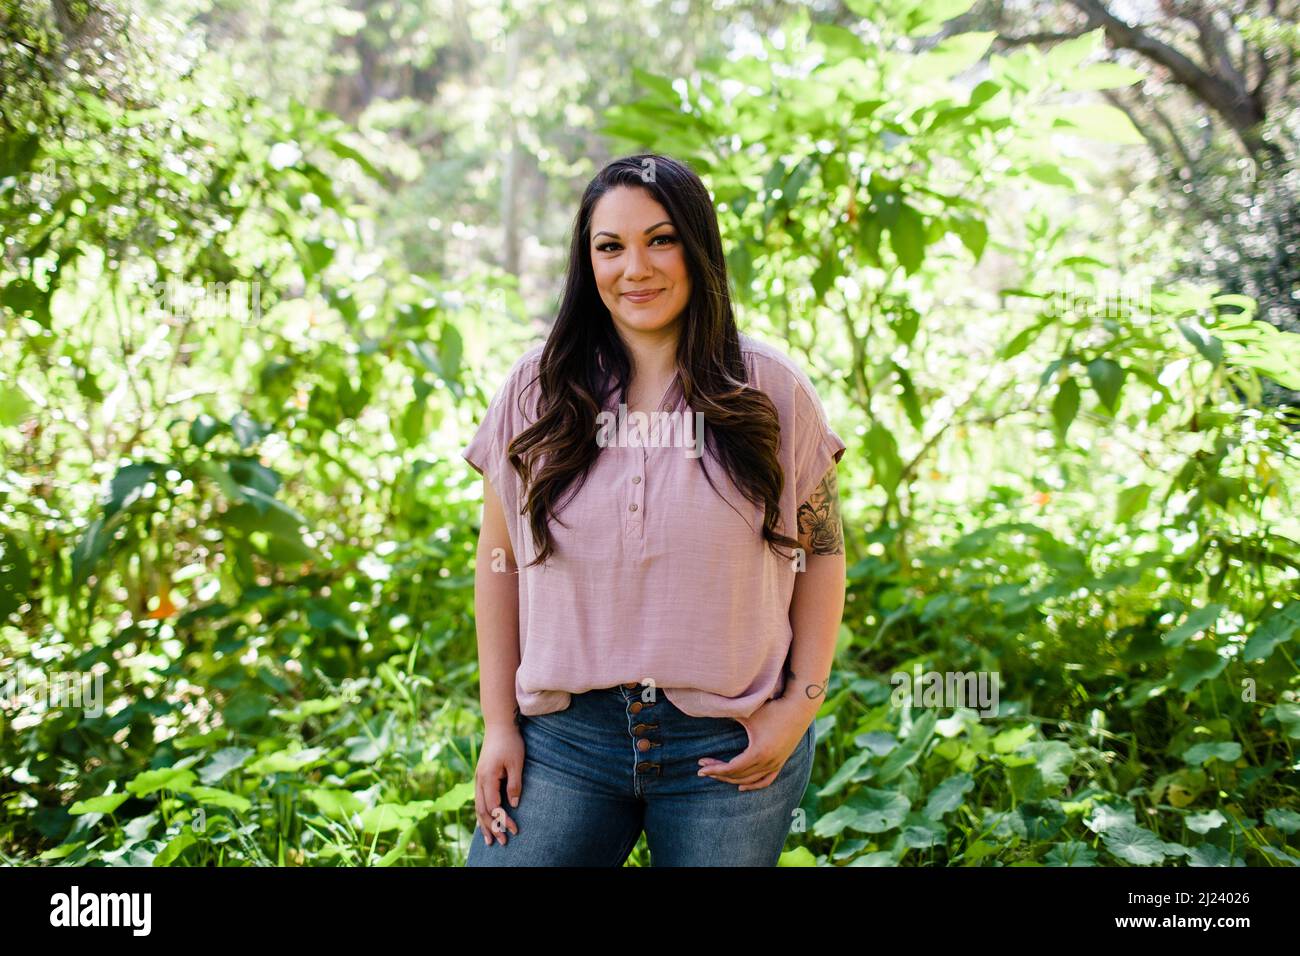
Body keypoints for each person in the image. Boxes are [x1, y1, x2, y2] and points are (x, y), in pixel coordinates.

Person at [461, 153, 846, 866]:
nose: (634, 268)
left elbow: (821, 551)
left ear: (698, 248)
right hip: (565, 743)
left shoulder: (770, 391)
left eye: (660, 239)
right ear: (589, 261)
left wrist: (801, 704)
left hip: (728, 745)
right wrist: (497, 725)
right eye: (611, 246)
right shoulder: (534, 391)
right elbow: (499, 564)